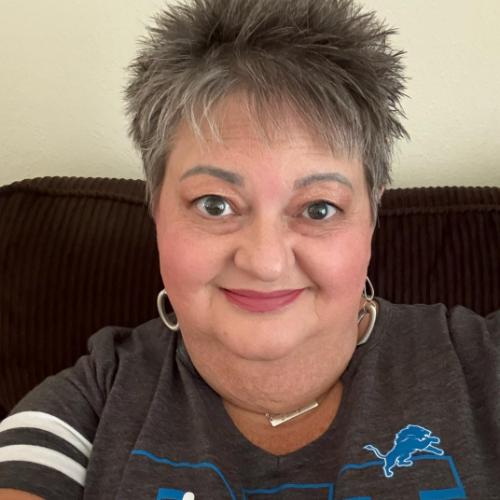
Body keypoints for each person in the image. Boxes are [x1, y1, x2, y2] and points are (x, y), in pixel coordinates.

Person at [0, 0, 498, 498]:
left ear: (372, 216)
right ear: (156, 209)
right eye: (215, 204)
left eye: (318, 208)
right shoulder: (91, 405)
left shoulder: (483, 364)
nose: (265, 262)